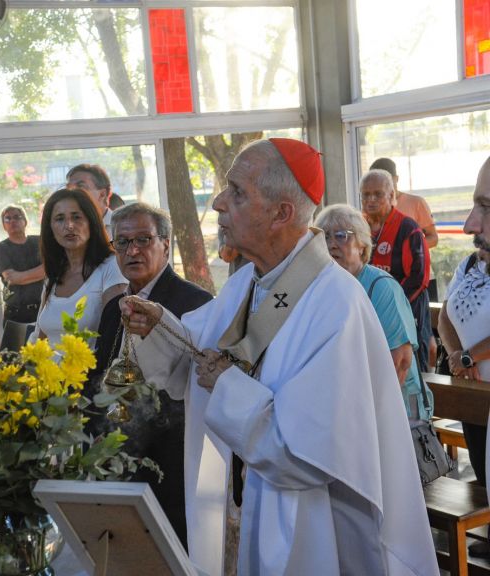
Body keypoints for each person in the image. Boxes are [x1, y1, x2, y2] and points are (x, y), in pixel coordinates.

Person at [120, 139, 437, 575]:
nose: (217, 203)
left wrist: (227, 384)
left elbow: (306, 452)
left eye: (236, 192)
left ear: (281, 213)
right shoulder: (248, 282)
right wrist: (159, 323)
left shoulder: (335, 304)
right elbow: (194, 350)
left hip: (312, 520)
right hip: (250, 499)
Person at [90, 202, 212, 549]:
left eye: (143, 239)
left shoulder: (196, 303)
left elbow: (200, 378)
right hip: (121, 456)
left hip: (174, 460)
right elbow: (105, 375)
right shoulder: (114, 307)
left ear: (166, 244)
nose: (133, 250)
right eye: (123, 242)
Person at [315, 203, 434, 422]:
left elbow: (400, 363)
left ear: (361, 245)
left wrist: (368, 419)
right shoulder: (325, 288)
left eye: (341, 236)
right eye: (325, 237)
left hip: (396, 414)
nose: (331, 244)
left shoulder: (381, 287)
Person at [438, 156, 490, 557]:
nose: (470, 224)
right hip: (475, 391)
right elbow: (447, 316)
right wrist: (456, 355)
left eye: (486, 208)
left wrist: (469, 357)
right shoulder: (472, 265)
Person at [30, 187, 127, 348]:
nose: (69, 225)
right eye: (59, 219)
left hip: (93, 371)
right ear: (50, 228)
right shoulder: (54, 274)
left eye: (77, 217)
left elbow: (114, 337)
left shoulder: (112, 266)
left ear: (92, 222)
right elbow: (40, 339)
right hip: (48, 371)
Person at [361, 168, 432, 372]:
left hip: (407, 312)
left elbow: (419, 278)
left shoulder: (408, 228)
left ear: (392, 196)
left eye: (378, 194)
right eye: (366, 195)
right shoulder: (359, 226)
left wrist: (390, 305)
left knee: (412, 369)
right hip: (370, 314)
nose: (371, 200)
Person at [369, 157, 439, 250]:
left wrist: (407, 249)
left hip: (411, 263)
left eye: (386, 182)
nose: (382, 187)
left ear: (396, 179)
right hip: (379, 264)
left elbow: (433, 238)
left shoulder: (416, 203)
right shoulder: (370, 206)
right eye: (376, 183)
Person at [0, 205, 44, 325]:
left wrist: (21, 276)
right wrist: (41, 271)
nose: (12, 221)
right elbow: (11, 278)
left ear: (25, 221)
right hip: (16, 314)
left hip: (43, 310)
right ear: (4, 226)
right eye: (7, 219)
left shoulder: (40, 242)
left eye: (17, 217)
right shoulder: (1, 248)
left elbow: (52, 269)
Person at [66, 164, 115, 238]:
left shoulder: (123, 225)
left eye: (80, 187)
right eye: (68, 188)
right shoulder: (66, 227)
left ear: (102, 194)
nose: (71, 193)